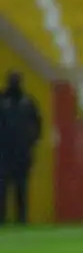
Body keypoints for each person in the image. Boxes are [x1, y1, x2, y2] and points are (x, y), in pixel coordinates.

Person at [0, 71, 41, 226]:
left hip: (22, 152)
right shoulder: (2, 101)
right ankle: (2, 218)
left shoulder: (28, 103)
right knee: (2, 188)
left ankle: (22, 219)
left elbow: (37, 124)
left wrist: (31, 141)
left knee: (21, 187)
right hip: (3, 152)